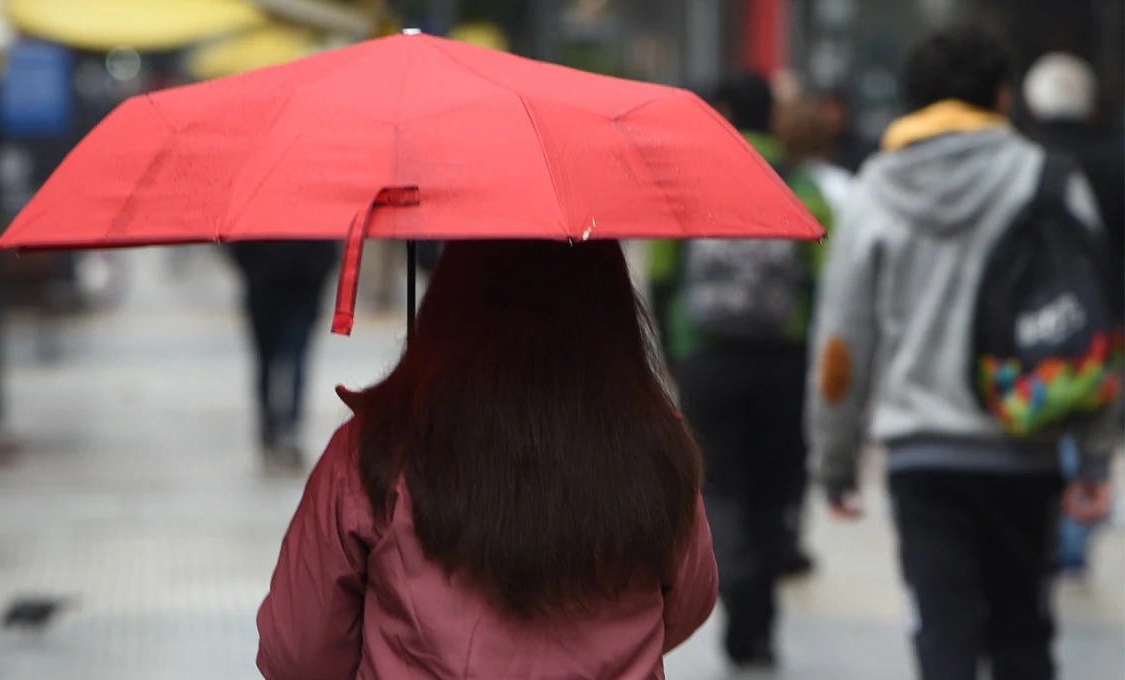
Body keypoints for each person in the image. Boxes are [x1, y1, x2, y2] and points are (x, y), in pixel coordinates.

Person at [807, 27, 1119, 680]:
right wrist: (1092, 455)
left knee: (941, 638)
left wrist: (834, 460)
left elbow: (841, 344)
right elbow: (1094, 320)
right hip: (1026, 444)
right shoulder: (1050, 179)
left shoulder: (875, 189)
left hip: (921, 456)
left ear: (913, 100)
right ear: (1003, 97)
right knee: (1023, 633)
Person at [256, 240, 717, 680]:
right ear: (614, 308)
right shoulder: (654, 446)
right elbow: (687, 602)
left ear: (449, 303)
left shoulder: (376, 451)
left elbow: (297, 655)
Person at [649, 72, 831, 668]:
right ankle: (761, 623)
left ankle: (736, 588)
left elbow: (662, 272)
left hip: (708, 357)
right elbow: (823, 277)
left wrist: (675, 359)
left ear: (722, 112)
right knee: (773, 488)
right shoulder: (803, 184)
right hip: (784, 361)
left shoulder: (691, 184)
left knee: (719, 484)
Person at [1022, 52, 1125, 576]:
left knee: (1045, 412)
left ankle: (1058, 537)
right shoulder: (1115, 159)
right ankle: (1074, 534)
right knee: (1090, 413)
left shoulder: (1025, 159)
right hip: (1105, 313)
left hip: (1034, 319)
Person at [229, 239, 338, 468]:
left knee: (286, 357)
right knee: (282, 358)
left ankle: (281, 426)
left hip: (290, 286)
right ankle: (280, 426)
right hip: (281, 285)